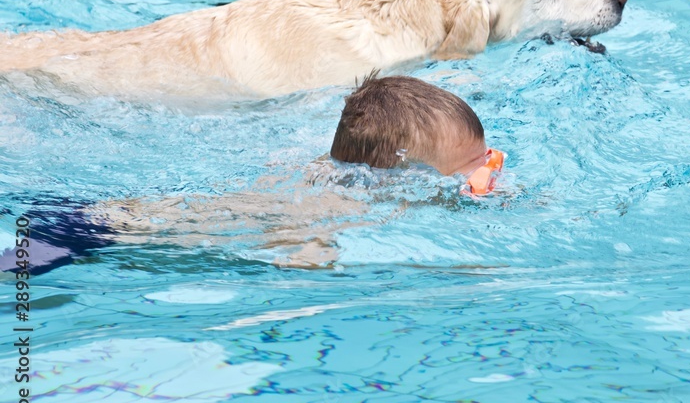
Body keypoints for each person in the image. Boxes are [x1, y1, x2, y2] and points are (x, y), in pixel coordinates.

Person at [0, 76, 505, 274]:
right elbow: (305, 237)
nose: (488, 171)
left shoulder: (340, 173)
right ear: (399, 176)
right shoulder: (341, 204)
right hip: (95, 232)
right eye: (472, 167)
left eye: (486, 158)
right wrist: (314, 263)